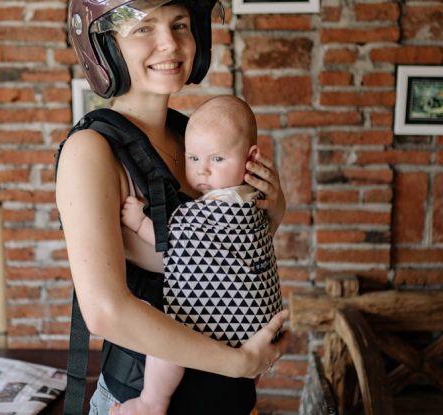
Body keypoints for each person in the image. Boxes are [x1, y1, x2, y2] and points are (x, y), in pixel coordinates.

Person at [56, 1, 289, 414]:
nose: (170, 43)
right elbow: (106, 312)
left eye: (180, 24)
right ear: (106, 44)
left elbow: (220, 261)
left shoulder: (195, 136)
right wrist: (241, 362)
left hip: (230, 399)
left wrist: (271, 215)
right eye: (144, 28)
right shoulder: (91, 151)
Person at [114, 95, 283, 415]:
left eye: (217, 159)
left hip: (230, 322)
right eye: (193, 159)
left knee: (167, 337)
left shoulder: (220, 206)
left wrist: (139, 222)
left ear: (251, 157)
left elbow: (177, 242)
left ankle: (151, 401)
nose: (202, 171)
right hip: (255, 319)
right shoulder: (256, 195)